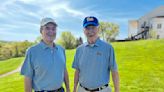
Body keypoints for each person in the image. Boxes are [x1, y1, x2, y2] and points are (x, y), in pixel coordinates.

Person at [20, 17, 70, 92]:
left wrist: (68, 88)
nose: (51, 31)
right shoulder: (32, 51)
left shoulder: (61, 49)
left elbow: (64, 70)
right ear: (41, 31)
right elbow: (28, 78)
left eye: (53, 29)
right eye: (47, 28)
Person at [72, 16, 119, 92]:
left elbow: (114, 71)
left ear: (98, 29)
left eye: (93, 27)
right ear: (84, 30)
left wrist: (117, 90)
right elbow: (77, 71)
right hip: (82, 90)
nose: (90, 31)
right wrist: (74, 88)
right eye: (87, 28)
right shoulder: (79, 49)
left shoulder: (108, 48)